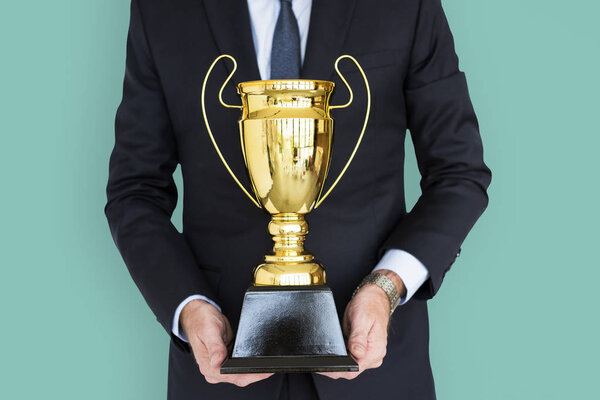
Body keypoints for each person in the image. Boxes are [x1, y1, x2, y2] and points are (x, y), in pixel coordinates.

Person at [105, 0, 491, 399]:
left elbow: (459, 174)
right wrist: (189, 307)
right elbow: (135, 191)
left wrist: (387, 287)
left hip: (377, 374)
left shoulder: (406, 6)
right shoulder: (162, 10)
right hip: (220, 375)